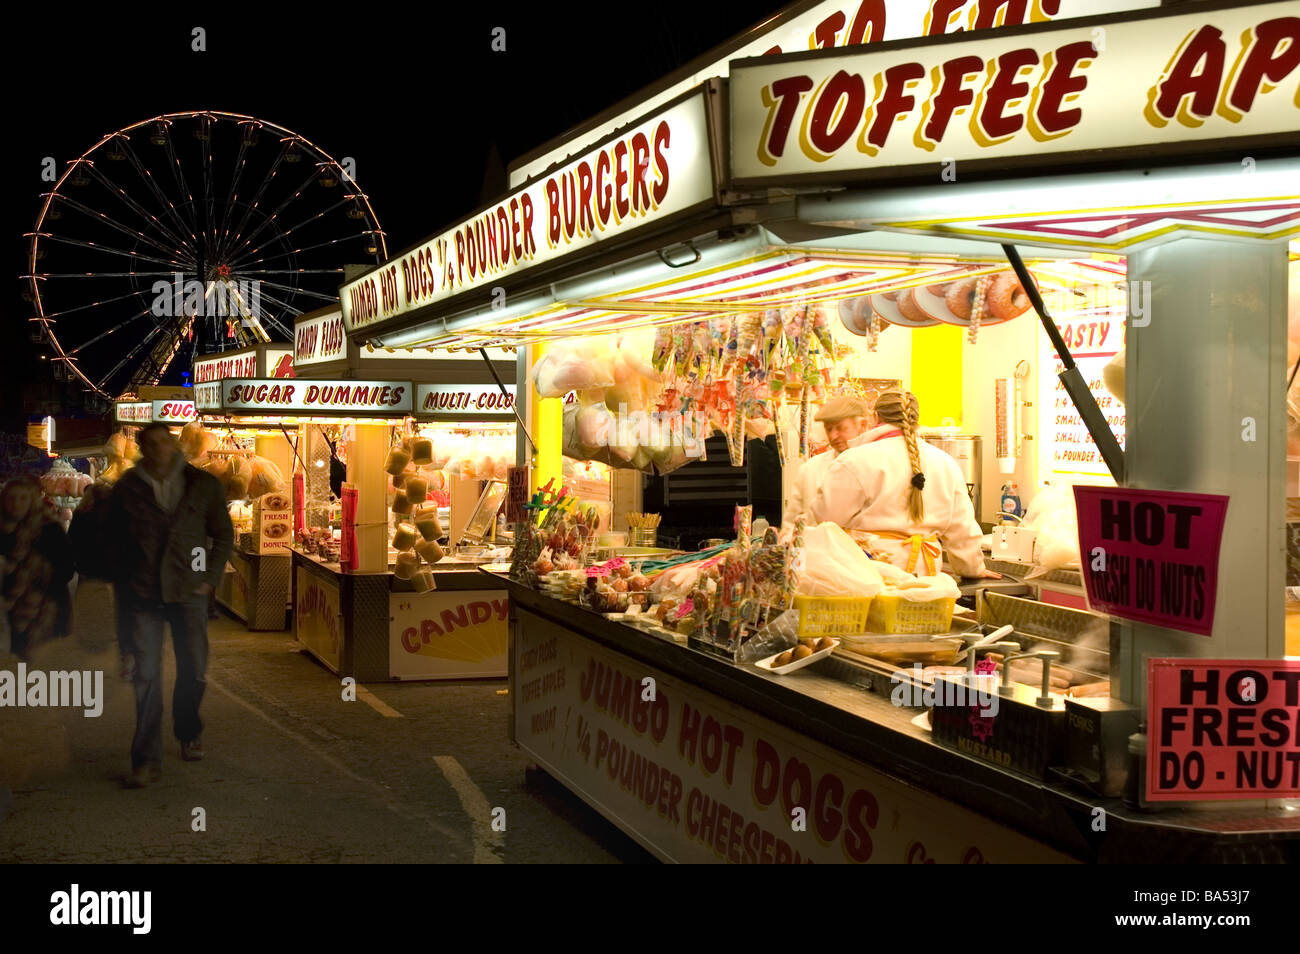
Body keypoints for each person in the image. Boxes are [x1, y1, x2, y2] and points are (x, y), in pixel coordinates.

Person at [104, 423, 233, 788]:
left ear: (175, 444)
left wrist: (209, 577)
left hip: (188, 591)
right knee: (146, 676)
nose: (159, 448)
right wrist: (121, 578)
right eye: (151, 443)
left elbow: (223, 533)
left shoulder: (202, 485)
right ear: (142, 448)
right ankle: (145, 759)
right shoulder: (128, 488)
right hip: (142, 593)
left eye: (165, 441)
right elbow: (112, 539)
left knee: (193, 670)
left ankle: (188, 729)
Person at [810, 390, 1001, 579]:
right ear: (916, 420)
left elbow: (824, 519)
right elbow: (963, 530)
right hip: (927, 577)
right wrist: (973, 569)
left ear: (875, 417)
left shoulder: (854, 460)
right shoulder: (946, 463)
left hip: (870, 573)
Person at [0, 475, 74, 661]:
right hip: (14, 612)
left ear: (32, 500)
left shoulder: (49, 530)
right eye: (11, 498)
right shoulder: (4, 532)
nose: (16, 504)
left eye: (22, 498)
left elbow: (66, 569)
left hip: (48, 608)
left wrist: (34, 576)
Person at [68, 482, 136, 679]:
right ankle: (124, 657)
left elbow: (72, 541)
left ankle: (92, 646)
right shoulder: (120, 514)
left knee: (91, 610)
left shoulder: (81, 513)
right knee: (120, 613)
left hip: (90, 572)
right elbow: (128, 541)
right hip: (115, 573)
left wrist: (79, 564)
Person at [784, 395, 871, 525]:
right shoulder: (810, 470)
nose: (833, 436)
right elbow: (790, 526)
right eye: (829, 429)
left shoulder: (875, 466)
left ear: (862, 425)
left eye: (840, 428)